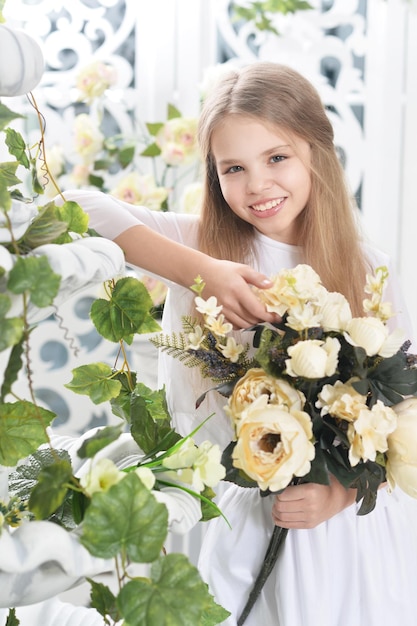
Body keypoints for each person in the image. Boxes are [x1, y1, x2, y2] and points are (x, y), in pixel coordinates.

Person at [60, 62, 417, 626]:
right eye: (233, 168)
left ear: (316, 151)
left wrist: (340, 496)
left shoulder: (368, 269)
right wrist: (204, 272)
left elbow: (401, 418)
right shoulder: (202, 243)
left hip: (336, 526)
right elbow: (76, 209)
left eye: (277, 158)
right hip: (227, 520)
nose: (257, 185)